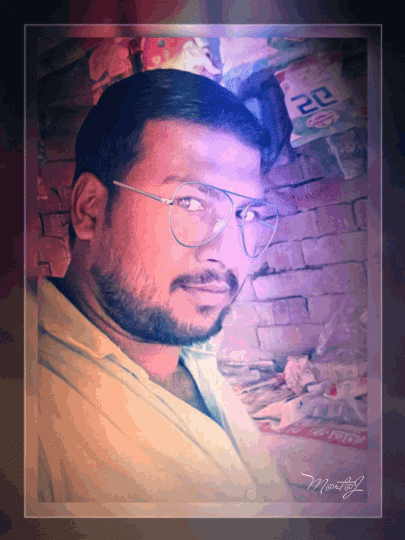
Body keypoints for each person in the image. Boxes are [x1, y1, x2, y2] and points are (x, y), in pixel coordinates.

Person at [31, 69, 292, 503]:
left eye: (245, 214)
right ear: (90, 209)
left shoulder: (192, 353)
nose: (227, 252)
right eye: (190, 202)